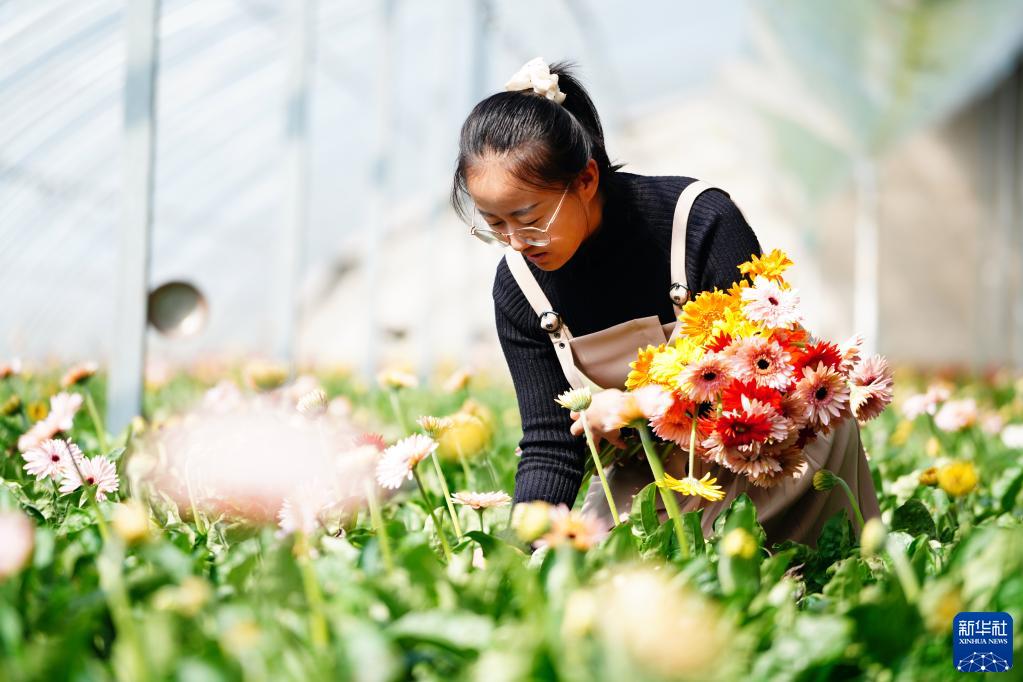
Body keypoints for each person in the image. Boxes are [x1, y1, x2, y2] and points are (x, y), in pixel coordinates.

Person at [449, 57, 880, 546]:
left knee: (788, 582)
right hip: (658, 477)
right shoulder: (518, 288)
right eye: (493, 223)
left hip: (778, 457)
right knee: (601, 578)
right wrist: (519, 553)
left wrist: (636, 404)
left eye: (528, 218)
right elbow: (550, 443)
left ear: (586, 180)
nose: (515, 241)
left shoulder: (698, 224)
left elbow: (766, 374)